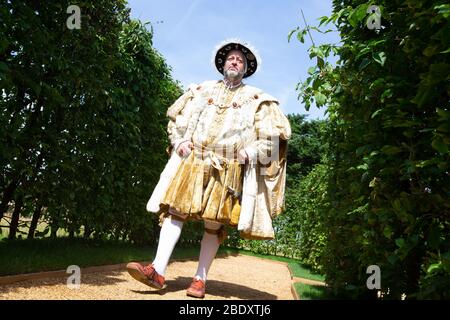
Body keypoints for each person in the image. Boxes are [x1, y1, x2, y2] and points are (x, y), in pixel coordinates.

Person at [126, 39, 291, 298]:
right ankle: (157, 271)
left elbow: (271, 138)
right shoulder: (200, 91)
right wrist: (179, 141)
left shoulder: (258, 99)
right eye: (231, 58)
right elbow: (179, 121)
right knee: (175, 210)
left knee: (213, 223)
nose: (235, 61)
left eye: (240, 60)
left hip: (228, 166)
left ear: (246, 68)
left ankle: (199, 280)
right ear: (222, 64)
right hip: (195, 160)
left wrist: (250, 152)